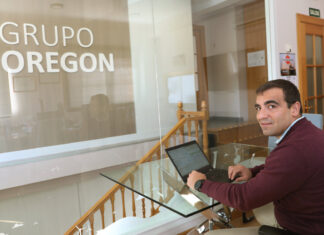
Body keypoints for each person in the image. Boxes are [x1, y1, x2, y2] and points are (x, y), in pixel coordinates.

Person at [187, 79, 324, 235]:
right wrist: (252, 172)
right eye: (259, 108)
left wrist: (200, 184)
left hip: (301, 228)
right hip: (307, 214)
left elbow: (243, 199)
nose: (261, 115)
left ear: (294, 108)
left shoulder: (293, 150)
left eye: (271, 106)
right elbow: (288, 169)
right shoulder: (307, 133)